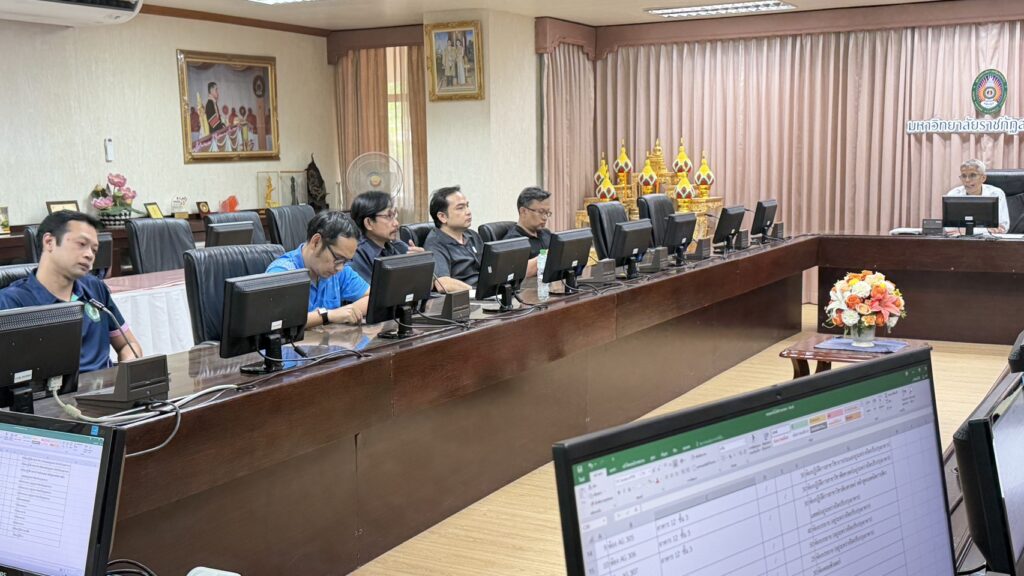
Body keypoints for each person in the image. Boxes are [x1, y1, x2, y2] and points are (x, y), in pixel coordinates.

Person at [0, 211, 142, 372]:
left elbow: (129, 345)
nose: (89, 255)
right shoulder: (9, 302)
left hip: (106, 385)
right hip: (51, 388)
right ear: (49, 242)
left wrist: (124, 370)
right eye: (81, 244)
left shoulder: (95, 288)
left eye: (94, 250)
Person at [265, 211, 369, 326]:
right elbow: (274, 322)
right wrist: (328, 315)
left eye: (345, 261)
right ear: (316, 242)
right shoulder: (282, 273)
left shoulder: (339, 270)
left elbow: (372, 298)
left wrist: (349, 311)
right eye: (338, 258)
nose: (340, 268)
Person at [348, 190, 424, 283]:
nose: (396, 223)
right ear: (369, 223)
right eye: (389, 216)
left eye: (395, 215)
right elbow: (375, 291)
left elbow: (428, 284)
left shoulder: (398, 246)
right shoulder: (356, 254)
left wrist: (423, 263)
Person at [423, 186, 482, 291]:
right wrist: (476, 292)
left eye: (467, 206)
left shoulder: (472, 235)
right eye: (460, 208)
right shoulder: (435, 244)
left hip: (487, 292)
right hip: (466, 296)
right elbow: (443, 283)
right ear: (442, 217)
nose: (468, 212)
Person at [946, 159, 1008, 234]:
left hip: (989, 240)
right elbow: (949, 229)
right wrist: (986, 230)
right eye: (964, 176)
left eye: (973, 175)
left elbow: (1002, 227)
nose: (967, 180)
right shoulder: (953, 194)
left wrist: (965, 231)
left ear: (983, 178)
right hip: (961, 240)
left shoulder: (996, 193)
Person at [503, 187, 553, 278]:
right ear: (523, 211)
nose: (545, 217)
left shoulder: (546, 234)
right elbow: (516, 272)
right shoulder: (513, 241)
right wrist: (551, 254)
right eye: (541, 212)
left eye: (547, 213)